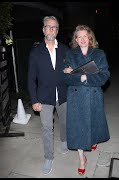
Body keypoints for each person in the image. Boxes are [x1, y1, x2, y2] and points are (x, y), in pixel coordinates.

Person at [63, 25, 110, 176]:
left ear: (90, 38)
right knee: (77, 129)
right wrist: (79, 77)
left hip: (94, 94)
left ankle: (93, 139)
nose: (82, 39)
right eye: (79, 36)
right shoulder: (70, 54)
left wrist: (84, 77)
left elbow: (104, 75)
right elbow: (65, 77)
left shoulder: (99, 54)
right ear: (75, 39)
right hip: (76, 97)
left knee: (93, 123)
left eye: (85, 36)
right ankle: (82, 159)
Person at [27, 16, 69, 175]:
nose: (51, 29)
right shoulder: (36, 52)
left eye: (54, 27)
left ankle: (64, 140)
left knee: (64, 121)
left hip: (63, 93)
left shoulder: (65, 50)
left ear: (57, 30)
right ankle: (49, 157)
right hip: (44, 96)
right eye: (48, 27)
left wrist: (71, 71)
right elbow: (31, 78)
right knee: (46, 128)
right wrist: (34, 99)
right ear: (43, 29)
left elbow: (70, 69)